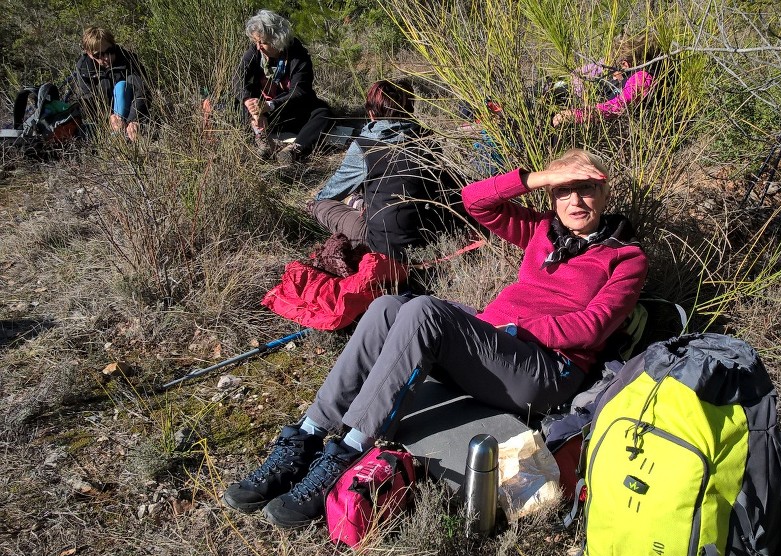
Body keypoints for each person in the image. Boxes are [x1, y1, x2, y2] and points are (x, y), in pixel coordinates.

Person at [222, 149, 648, 528]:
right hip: (498, 348)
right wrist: (536, 178)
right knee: (389, 307)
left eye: (587, 189)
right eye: (564, 190)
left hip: (545, 370)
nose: (575, 201)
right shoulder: (542, 231)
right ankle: (308, 435)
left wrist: (513, 329)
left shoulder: (626, 257)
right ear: (552, 196)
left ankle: (348, 451)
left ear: (605, 193)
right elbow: (475, 201)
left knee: (427, 312)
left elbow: (593, 326)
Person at [306, 79, 460, 261]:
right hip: (429, 236)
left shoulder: (366, 146)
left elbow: (331, 193)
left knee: (320, 205)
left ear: (371, 113)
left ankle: (353, 204)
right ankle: (358, 203)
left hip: (384, 246)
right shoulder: (427, 138)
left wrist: (316, 199)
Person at [237, 9, 332, 164]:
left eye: (263, 42)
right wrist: (250, 103)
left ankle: (294, 150)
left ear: (277, 39)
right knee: (233, 103)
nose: (258, 46)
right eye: (256, 42)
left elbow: (300, 90)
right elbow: (239, 78)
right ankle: (262, 140)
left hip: (288, 109)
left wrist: (269, 105)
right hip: (261, 114)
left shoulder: (298, 55)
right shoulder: (254, 52)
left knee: (322, 112)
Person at [552, 38, 657, 127]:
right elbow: (577, 73)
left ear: (625, 65)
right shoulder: (617, 64)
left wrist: (576, 114)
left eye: (612, 71)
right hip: (591, 109)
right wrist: (583, 97)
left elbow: (617, 106)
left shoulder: (642, 79)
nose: (611, 75)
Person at [72, 27, 148, 142]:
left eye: (110, 51)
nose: (107, 58)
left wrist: (135, 119)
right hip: (105, 119)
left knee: (122, 87)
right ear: (89, 54)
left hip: (132, 113)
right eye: (99, 55)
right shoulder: (84, 69)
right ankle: (116, 136)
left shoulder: (128, 60)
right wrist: (108, 117)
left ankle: (122, 134)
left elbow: (141, 91)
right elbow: (88, 100)